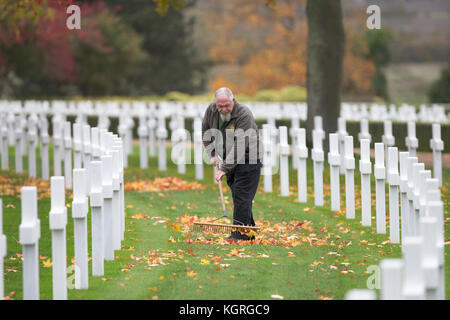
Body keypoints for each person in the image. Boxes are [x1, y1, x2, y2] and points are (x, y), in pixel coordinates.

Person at [202, 87, 262, 241]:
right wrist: (213, 154)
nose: (223, 109)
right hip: (229, 158)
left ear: (233, 101)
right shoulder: (211, 110)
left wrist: (224, 168)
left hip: (249, 158)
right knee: (239, 195)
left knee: (242, 195)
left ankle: (239, 235)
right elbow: (206, 131)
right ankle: (249, 229)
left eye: (226, 105)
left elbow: (241, 144)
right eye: (220, 106)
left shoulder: (244, 114)